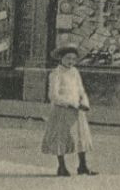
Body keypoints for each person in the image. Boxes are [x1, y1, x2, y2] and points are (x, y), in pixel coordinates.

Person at [42, 46, 98, 177]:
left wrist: (84, 102)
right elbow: (53, 96)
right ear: (61, 58)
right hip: (62, 110)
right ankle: (61, 167)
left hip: (77, 110)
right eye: (67, 58)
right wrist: (71, 103)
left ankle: (83, 166)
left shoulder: (75, 72)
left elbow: (81, 89)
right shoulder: (56, 74)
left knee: (80, 136)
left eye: (73, 59)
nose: (70, 61)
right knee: (61, 137)